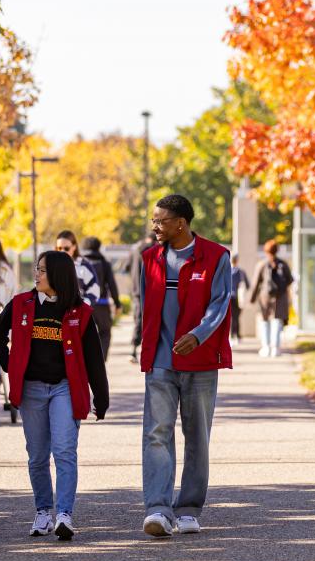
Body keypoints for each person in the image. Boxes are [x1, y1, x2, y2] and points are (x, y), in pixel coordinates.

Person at [0, 250, 109, 541]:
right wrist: (11, 365)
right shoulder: (22, 303)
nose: (37, 275)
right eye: (37, 269)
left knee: (65, 450)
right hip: (31, 389)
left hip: (64, 388)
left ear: (58, 275)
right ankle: (43, 511)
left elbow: (94, 358)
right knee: (38, 455)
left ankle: (64, 514)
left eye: (42, 270)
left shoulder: (80, 312)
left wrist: (101, 397)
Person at [138, 194, 232, 537]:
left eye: (160, 220)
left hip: (200, 361)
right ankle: (158, 510)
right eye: (154, 220)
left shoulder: (216, 256)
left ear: (181, 222)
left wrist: (199, 334)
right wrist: (142, 345)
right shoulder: (148, 258)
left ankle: (189, 508)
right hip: (161, 361)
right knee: (156, 434)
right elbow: (144, 306)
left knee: (197, 436)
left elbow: (221, 303)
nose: (155, 226)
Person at [80, 236, 121, 361]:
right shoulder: (104, 263)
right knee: (105, 333)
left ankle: (85, 361)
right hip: (102, 305)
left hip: (83, 305)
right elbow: (112, 285)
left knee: (83, 334)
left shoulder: (79, 263)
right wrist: (117, 304)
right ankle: (100, 362)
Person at [249, 239, 293, 358]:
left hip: (265, 297)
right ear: (277, 250)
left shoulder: (261, 264)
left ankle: (266, 347)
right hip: (280, 297)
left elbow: (255, 283)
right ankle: (276, 349)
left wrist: (252, 298)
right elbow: (289, 280)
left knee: (265, 322)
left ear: (266, 250)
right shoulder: (283, 264)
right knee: (277, 322)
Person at [127, 234, 153, 364]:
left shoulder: (134, 250)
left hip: (136, 290)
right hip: (153, 291)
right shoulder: (157, 249)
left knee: (138, 319)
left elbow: (126, 267)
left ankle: (133, 349)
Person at [229, 253, 249, 347]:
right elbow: (248, 285)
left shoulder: (229, 271)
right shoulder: (240, 272)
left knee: (234, 318)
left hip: (233, 298)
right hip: (235, 298)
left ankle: (234, 336)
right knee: (235, 317)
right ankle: (236, 336)